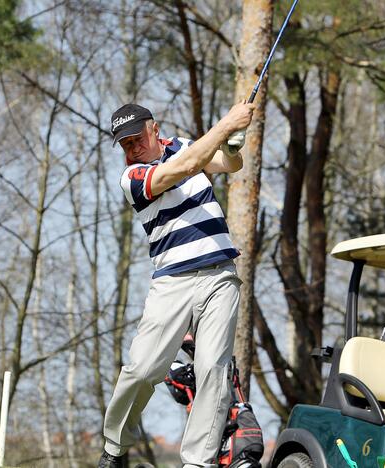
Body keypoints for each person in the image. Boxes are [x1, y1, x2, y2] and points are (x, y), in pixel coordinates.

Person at [99, 101, 255, 468]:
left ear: (155, 128)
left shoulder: (181, 145)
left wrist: (232, 145)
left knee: (213, 371)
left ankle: (197, 463)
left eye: (137, 138)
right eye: (125, 144)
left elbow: (228, 164)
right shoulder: (133, 178)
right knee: (143, 369)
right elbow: (183, 167)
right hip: (173, 281)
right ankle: (114, 447)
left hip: (220, 275)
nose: (132, 148)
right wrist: (225, 123)